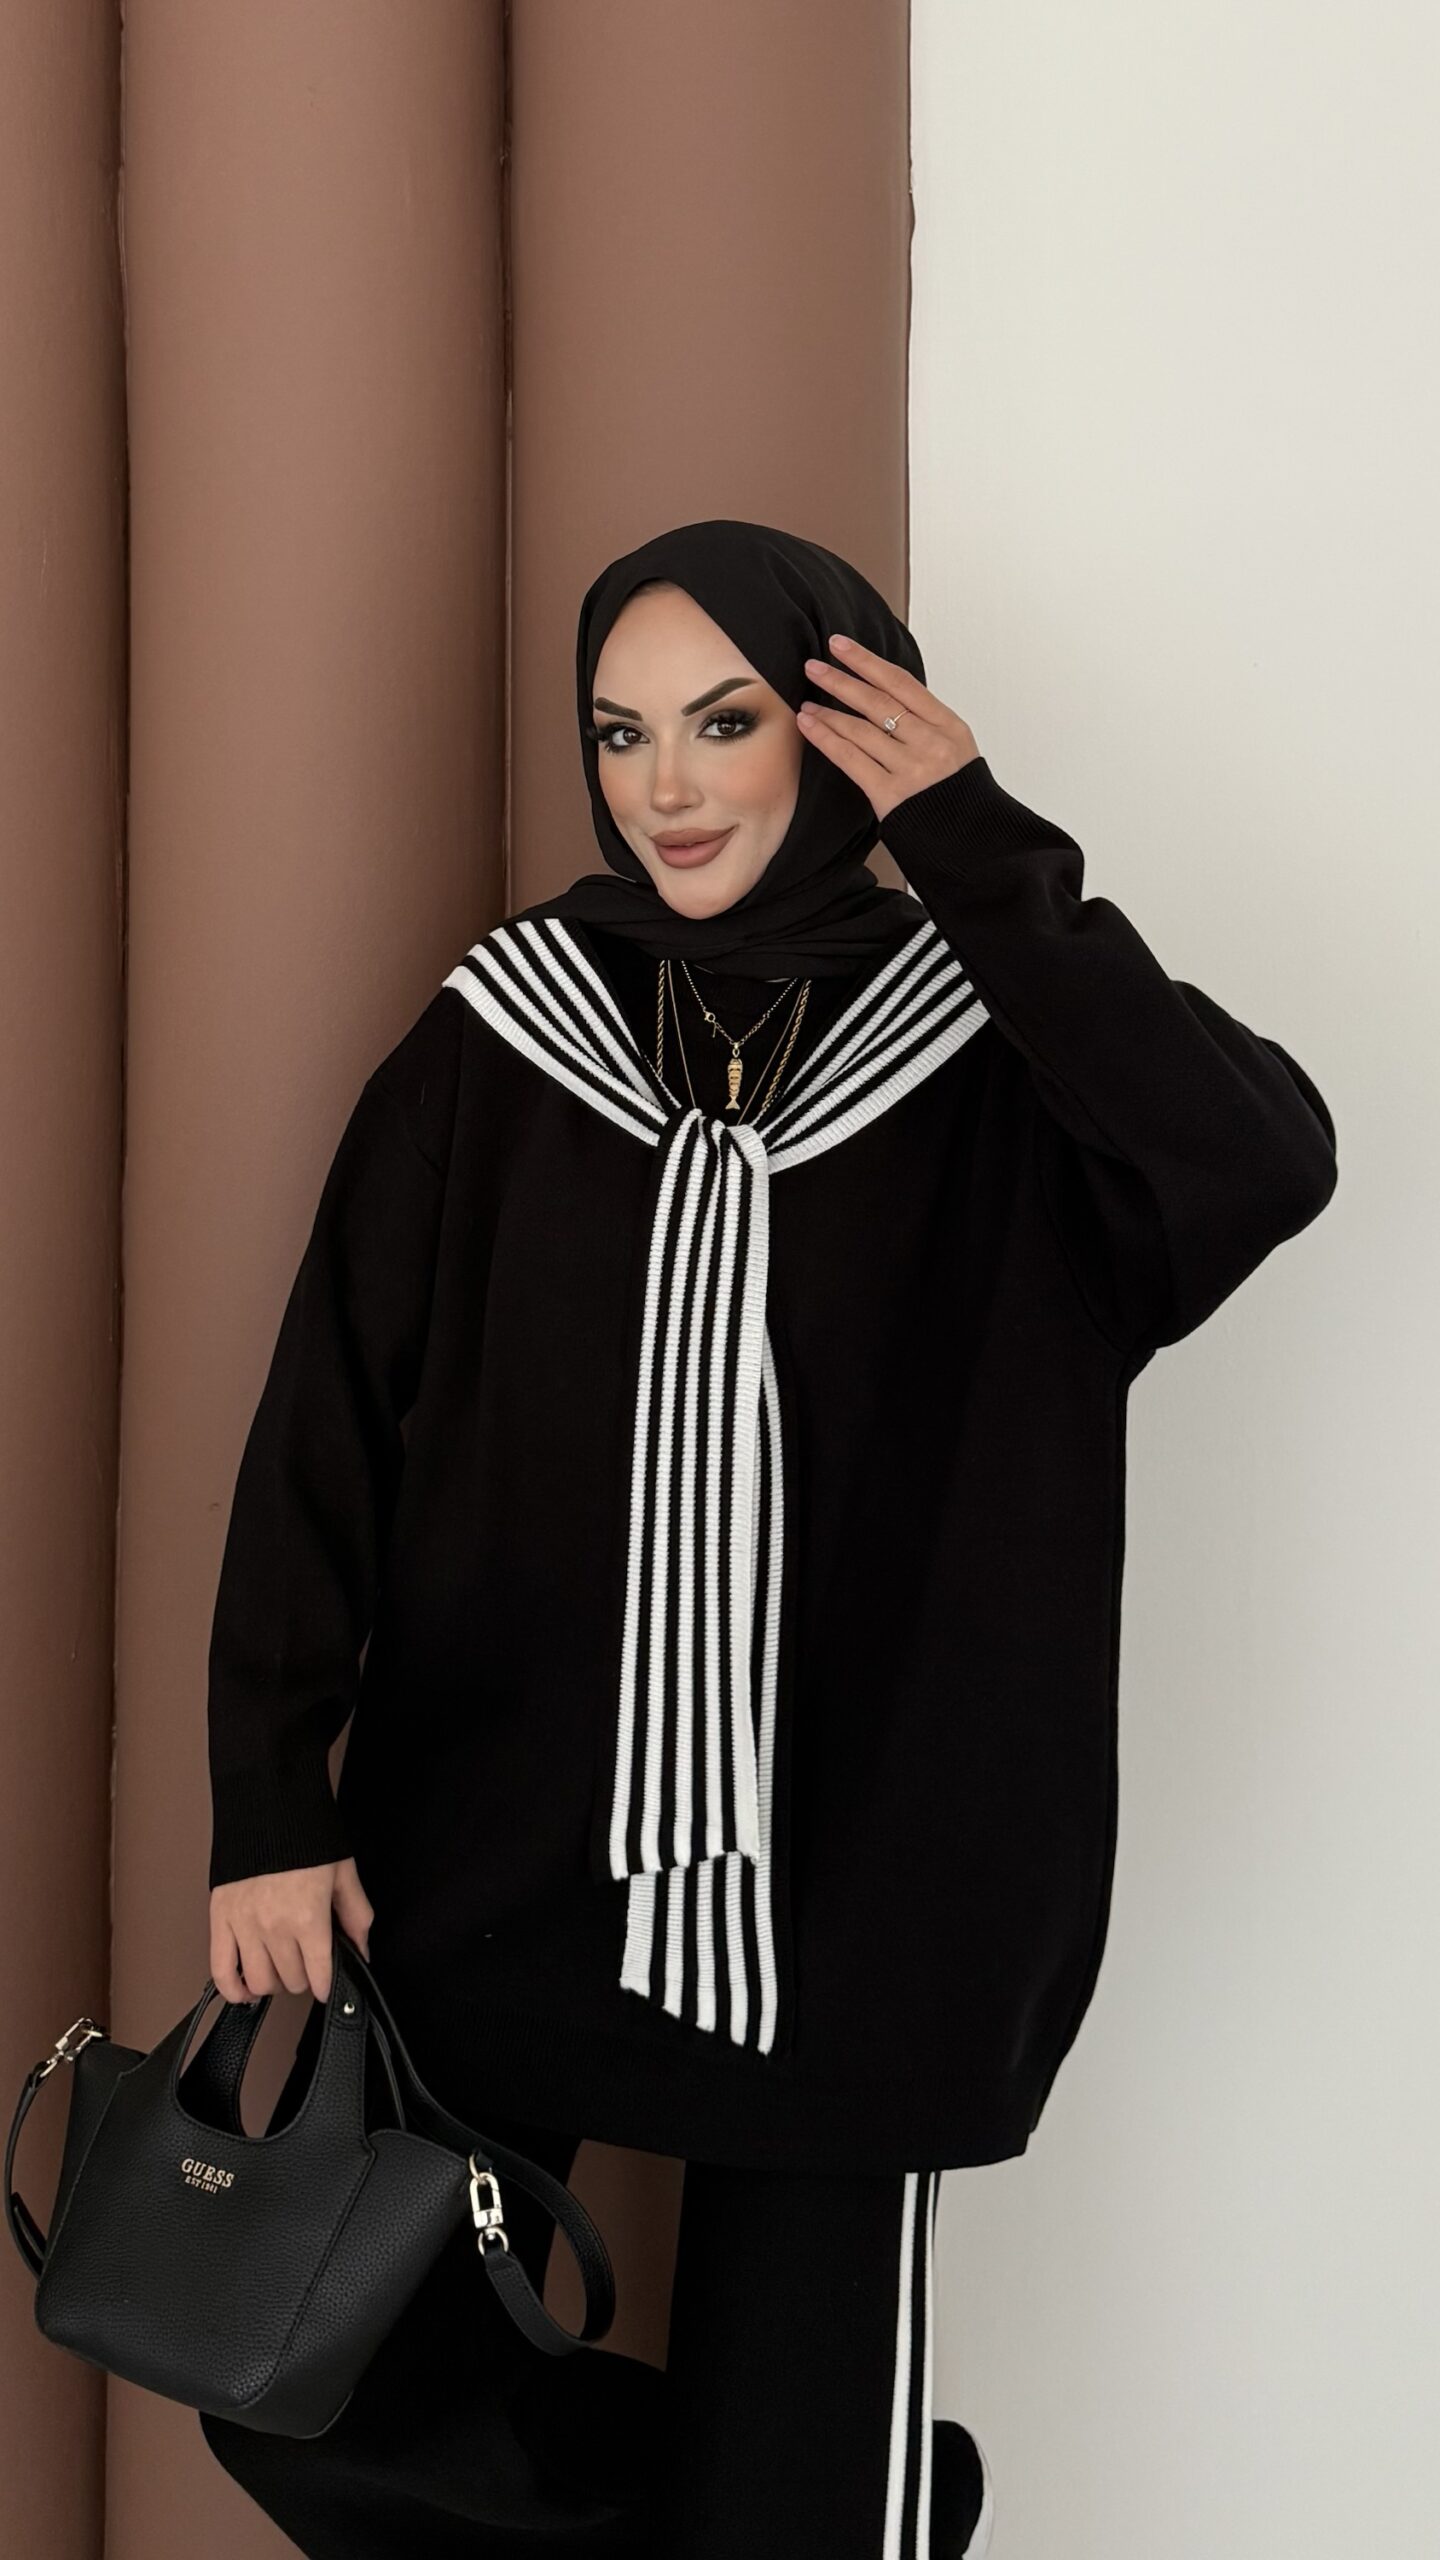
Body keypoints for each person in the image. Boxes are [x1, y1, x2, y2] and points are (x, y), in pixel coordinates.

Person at [196, 519, 1337, 2556]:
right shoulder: (505, 1036)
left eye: (726, 722)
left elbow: (1255, 1163)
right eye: (621, 731)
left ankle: (818, 2506)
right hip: (500, 1855)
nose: (667, 784)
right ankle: (832, 2514)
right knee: (307, 2384)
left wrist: (979, 849)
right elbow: (325, 1429)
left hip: (867, 1886)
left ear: (842, 731)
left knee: (793, 2469)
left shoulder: (1001, 1059)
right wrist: (271, 1799)